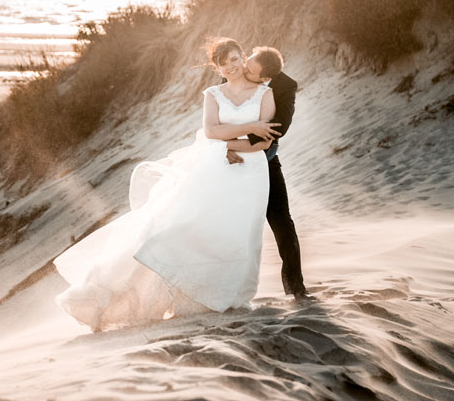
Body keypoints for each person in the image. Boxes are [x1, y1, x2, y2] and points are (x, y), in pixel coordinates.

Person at [53, 38, 282, 332]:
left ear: (244, 56)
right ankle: (163, 297)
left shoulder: (264, 94)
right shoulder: (213, 94)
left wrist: (232, 144)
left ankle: (228, 296)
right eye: (225, 63)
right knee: (180, 227)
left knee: (240, 236)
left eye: (236, 58)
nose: (232, 66)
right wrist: (244, 132)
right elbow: (212, 131)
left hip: (250, 172)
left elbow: (264, 142)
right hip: (213, 169)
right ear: (218, 68)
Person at [239, 48, 310, 300]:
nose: (244, 71)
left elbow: (280, 127)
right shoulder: (236, 74)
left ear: (264, 78)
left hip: (265, 161)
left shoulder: (285, 86)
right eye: (247, 63)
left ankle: (296, 288)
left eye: (250, 71)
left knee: (281, 221)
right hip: (230, 162)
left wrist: (246, 137)